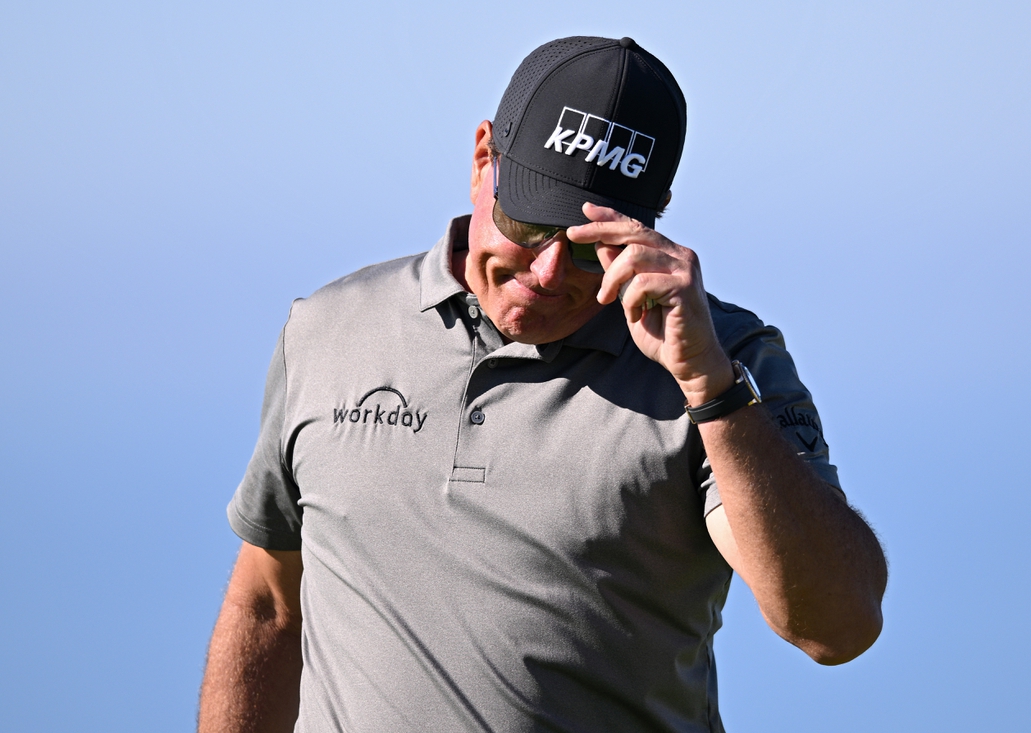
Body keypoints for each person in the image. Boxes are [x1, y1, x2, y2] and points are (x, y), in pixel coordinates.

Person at [198, 36, 887, 733]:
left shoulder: (726, 361)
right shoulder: (329, 329)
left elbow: (835, 625)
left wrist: (709, 384)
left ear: (654, 220)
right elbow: (269, 601)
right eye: (526, 222)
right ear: (481, 159)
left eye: (592, 245)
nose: (550, 270)